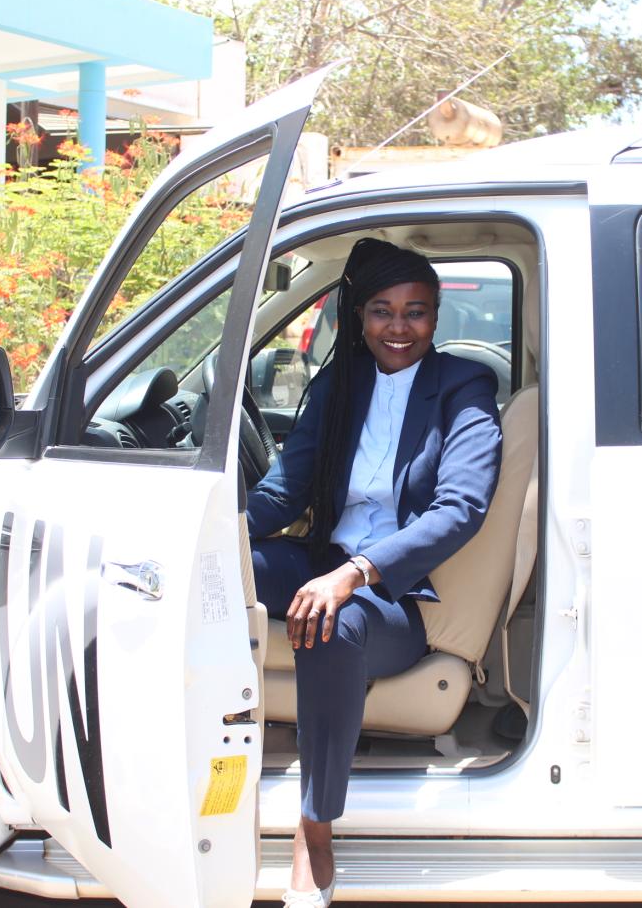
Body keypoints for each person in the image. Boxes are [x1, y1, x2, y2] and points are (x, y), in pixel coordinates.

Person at [246, 237, 503, 908]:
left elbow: (461, 507)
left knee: (332, 623)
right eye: (383, 311)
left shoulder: (464, 388)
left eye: (415, 312)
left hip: (398, 593)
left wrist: (356, 573)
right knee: (221, 572)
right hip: (322, 559)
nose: (398, 327)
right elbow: (285, 490)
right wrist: (212, 533)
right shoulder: (341, 383)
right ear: (359, 317)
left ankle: (314, 827)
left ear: (436, 315)